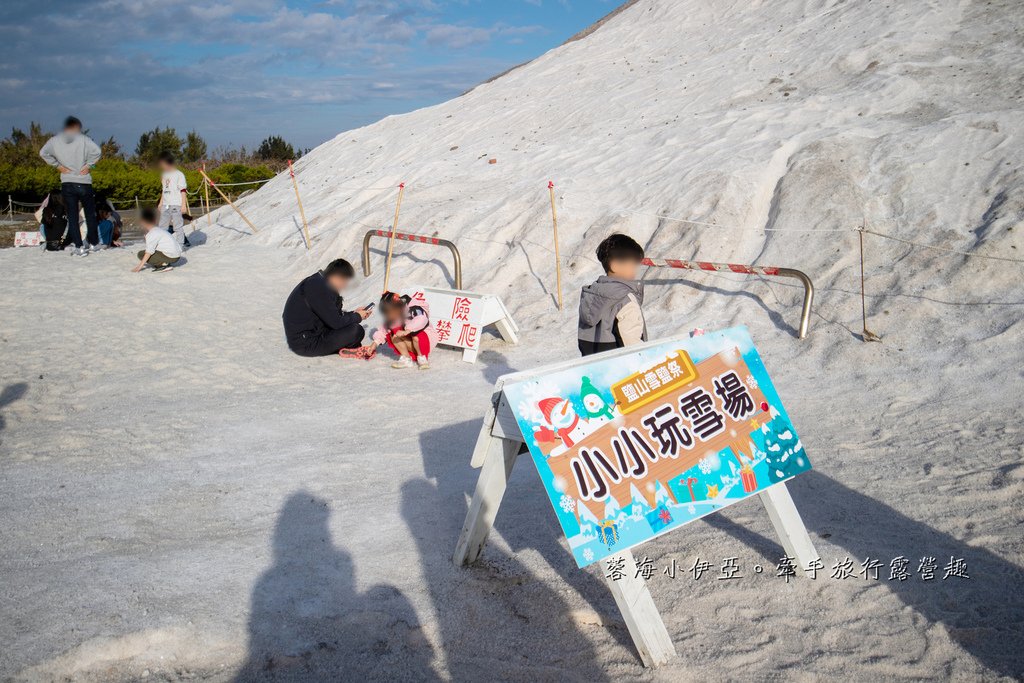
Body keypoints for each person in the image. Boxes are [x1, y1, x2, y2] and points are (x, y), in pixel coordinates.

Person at [39, 116, 102, 256]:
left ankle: (79, 246)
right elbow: (97, 152)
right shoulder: (84, 139)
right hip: (84, 181)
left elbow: (43, 153)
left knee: (72, 216)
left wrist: (58, 166)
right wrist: (90, 165)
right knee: (90, 214)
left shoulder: (54, 140)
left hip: (67, 182)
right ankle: (93, 243)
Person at [282, 259, 371, 357]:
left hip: (309, 334)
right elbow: (336, 323)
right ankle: (344, 348)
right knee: (356, 331)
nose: (344, 286)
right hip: (305, 343)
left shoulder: (318, 282)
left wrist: (354, 313)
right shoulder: (319, 290)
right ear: (337, 277)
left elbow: (331, 315)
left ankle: (343, 346)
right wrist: (357, 316)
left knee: (352, 326)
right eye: (344, 281)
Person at [577, 233, 647, 356]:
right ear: (615, 265)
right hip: (624, 369)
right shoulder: (625, 299)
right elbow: (632, 342)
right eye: (632, 265)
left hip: (596, 368)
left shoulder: (592, 296)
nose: (635, 270)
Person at [371, 291, 437, 370]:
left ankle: (422, 358)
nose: (389, 317)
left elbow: (422, 319)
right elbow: (384, 330)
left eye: (390, 313)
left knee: (415, 335)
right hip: (412, 342)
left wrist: (408, 330)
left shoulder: (414, 308)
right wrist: (375, 344)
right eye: (386, 315)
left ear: (397, 308)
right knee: (394, 335)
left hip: (426, 341)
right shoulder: (393, 317)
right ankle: (406, 359)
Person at [156, 152, 190, 249]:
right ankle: (162, 245)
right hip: (165, 204)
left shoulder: (179, 174)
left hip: (176, 204)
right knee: (162, 226)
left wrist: (183, 205)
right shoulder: (164, 174)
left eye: (162, 164)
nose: (161, 166)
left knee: (177, 226)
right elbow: (164, 189)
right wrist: (161, 203)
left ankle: (180, 246)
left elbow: (183, 190)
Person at [132, 207, 182, 272]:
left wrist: (139, 267)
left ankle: (163, 265)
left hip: (171, 257)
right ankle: (164, 262)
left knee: (141, 254)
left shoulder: (151, 233)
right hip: (176, 255)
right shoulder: (158, 230)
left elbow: (149, 252)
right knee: (144, 252)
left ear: (143, 222)